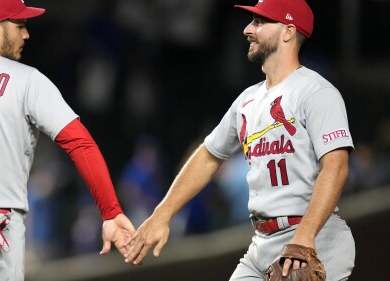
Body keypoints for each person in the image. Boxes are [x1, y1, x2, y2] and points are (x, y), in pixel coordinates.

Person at [124, 0, 356, 280]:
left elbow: (336, 166)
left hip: (315, 236)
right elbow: (209, 155)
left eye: (260, 22)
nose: (248, 29)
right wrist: (162, 214)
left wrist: (304, 238)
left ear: (288, 31)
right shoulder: (247, 100)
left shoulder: (316, 92)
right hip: (262, 241)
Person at [0, 0, 135, 280]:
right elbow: (80, 143)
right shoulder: (27, 80)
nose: (26, 34)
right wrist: (110, 212)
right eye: (20, 25)